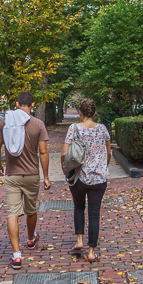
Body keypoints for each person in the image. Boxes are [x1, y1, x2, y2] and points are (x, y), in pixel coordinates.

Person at [0, 91, 50, 270]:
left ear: (17, 104)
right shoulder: (38, 124)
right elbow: (43, 152)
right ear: (32, 105)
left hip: (12, 175)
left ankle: (16, 256)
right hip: (32, 175)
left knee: (13, 212)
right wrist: (46, 176)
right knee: (31, 210)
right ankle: (31, 240)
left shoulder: (6, 121)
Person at [60, 98, 112, 263]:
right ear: (94, 113)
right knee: (94, 214)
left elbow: (63, 154)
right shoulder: (102, 129)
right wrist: (103, 166)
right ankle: (91, 252)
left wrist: (65, 170)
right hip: (99, 178)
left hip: (79, 177)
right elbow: (109, 152)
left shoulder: (74, 128)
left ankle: (80, 240)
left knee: (79, 207)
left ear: (80, 113)